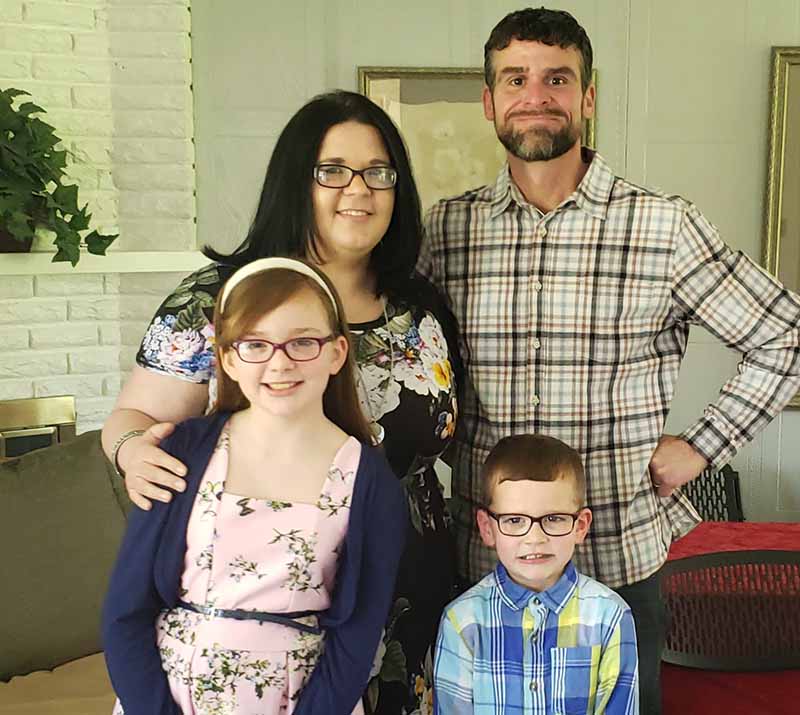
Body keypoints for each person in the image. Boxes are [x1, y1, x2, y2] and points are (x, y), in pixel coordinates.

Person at [418, 7, 800, 714]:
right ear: (489, 101)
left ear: (588, 99)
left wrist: (703, 444)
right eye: (516, 78)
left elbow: (787, 334)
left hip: (617, 561)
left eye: (557, 78)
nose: (536, 95)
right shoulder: (447, 230)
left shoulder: (664, 227)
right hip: (483, 566)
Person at [101, 91, 460, 714]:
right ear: (296, 181)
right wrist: (134, 452)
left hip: (402, 594)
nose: (359, 190)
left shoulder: (418, 308)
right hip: (260, 601)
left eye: (378, 172)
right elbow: (133, 422)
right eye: (332, 171)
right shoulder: (220, 300)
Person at [102, 258, 407, 714]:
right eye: (255, 345)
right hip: (169, 698)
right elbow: (126, 609)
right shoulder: (183, 452)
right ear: (227, 358)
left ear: (336, 352)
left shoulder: (370, 481)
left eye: (302, 342)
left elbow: (358, 633)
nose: (279, 363)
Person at [433, 434, 639, 714]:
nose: (534, 537)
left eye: (553, 519)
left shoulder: (610, 617)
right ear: (487, 528)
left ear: (580, 525)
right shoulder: (462, 621)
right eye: (515, 520)